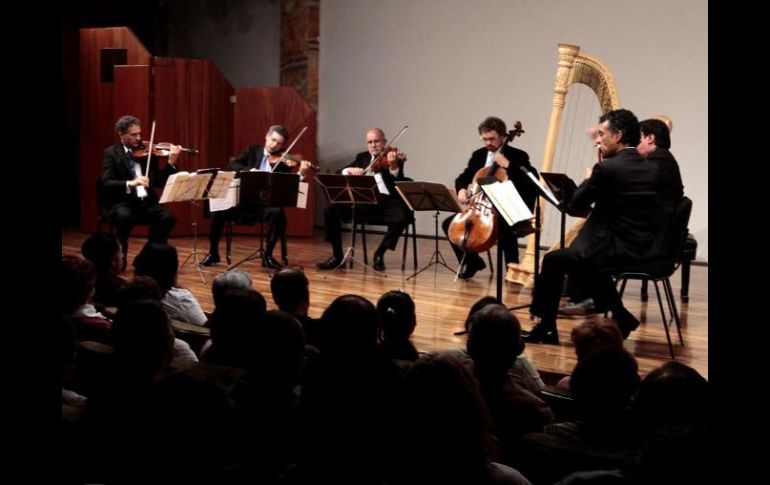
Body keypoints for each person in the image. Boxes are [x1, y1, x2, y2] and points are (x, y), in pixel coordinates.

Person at [523, 109, 659, 344]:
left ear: (618, 136)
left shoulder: (607, 168)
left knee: (554, 260)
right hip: (640, 247)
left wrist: (590, 177)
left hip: (611, 248)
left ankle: (546, 328)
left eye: (602, 134)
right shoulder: (650, 167)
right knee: (585, 262)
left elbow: (575, 204)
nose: (598, 140)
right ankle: (621, 316)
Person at [559, 117, 684, 316]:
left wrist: (594, 178)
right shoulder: (661, 159)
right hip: (650, 234)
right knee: (589, 243)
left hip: (649, 242)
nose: (634, 144)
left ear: (650, 139)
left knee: (586, 248)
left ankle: (590, 301)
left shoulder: (656, 162)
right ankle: (596, 303)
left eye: (638, 138)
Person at [201, 125, 314, 269]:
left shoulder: (284, 163)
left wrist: (302, 173)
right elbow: (232, 165)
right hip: (242, 204)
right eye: (273, 140)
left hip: (263, 207)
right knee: (217, 209)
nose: (274, 145)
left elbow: (291, 186)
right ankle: (213, 253)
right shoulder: (251, 151)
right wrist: (251, 170)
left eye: (279, 143)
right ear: (267, 136)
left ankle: (268, 255)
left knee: (278, 213)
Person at [442, 116, 539, 279]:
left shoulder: (517, 155)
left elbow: (531, 179)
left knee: (505, 226)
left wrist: (508, 165)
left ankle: (512, 268)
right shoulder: (478, 155)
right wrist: (461, 189)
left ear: (502, 136)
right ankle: (472, 262)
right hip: (480, 207)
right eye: (484, 139)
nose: (488, 143)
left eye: (492, 139)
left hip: (505, 207)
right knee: (448, 224)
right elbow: (464, 177)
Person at [316, 128, 410, 272]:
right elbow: (339, 171)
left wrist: (393, 166)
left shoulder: (393, 157)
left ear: (384, 142)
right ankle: (337, 256)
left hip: (386, 203)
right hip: (364, 202)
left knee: (402, 218)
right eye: (370, 142)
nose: (373, 145)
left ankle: (380, 253)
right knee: (330, 209)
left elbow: (397, 180)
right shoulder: (362, 157)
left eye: (376, 141)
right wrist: (349, 170)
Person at [99, 115, 181, 270]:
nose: (138, 138)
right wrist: (130, 183)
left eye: (139, 134)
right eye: (133, 134)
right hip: (123, 203)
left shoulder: (148, 152)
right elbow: (106, 182)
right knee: (124, 217)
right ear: (121, 134)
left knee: (168, 218)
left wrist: (171, 163)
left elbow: (159, 182)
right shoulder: (111, 153)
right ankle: (121, 255)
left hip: (147, 202)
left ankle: (148, 256)